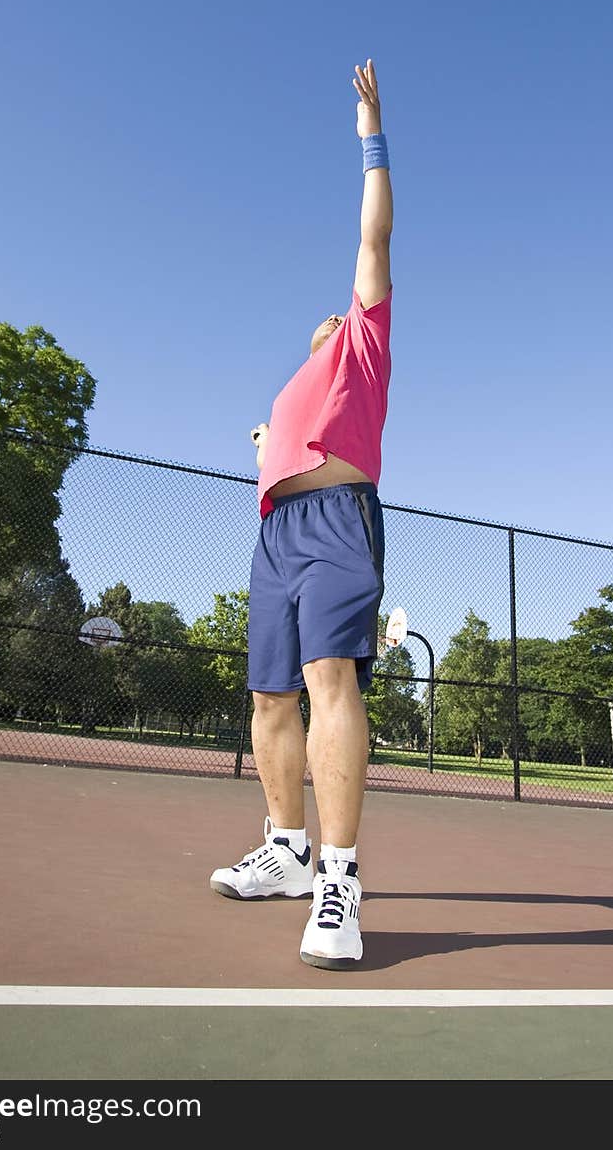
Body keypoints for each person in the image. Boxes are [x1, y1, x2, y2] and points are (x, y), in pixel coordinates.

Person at [209, 57, 393, 969]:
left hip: (335, 523)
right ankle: (284, 851)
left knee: (329, 681)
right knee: (268, 695)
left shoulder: (366, 338)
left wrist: (371, 136)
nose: (329, 317)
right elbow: (276, 449)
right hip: (275, 534)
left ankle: (339, 879)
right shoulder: (298, 378)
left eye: (340, 313)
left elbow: (373, 237)